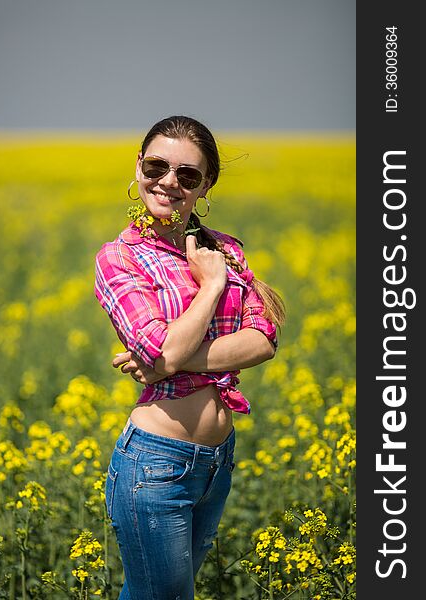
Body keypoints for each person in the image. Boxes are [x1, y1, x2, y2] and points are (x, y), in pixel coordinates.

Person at [94, 115, 285, 600]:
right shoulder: (120, 258)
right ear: (139, 168)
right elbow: (165, 348)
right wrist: (212, 285)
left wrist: (167, 362)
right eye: (157, 166)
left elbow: (262, 340)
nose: (169, 183)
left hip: (217, 462)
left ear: (206, 185)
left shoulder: (227, 249)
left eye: (188, 175)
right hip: (156, 464)